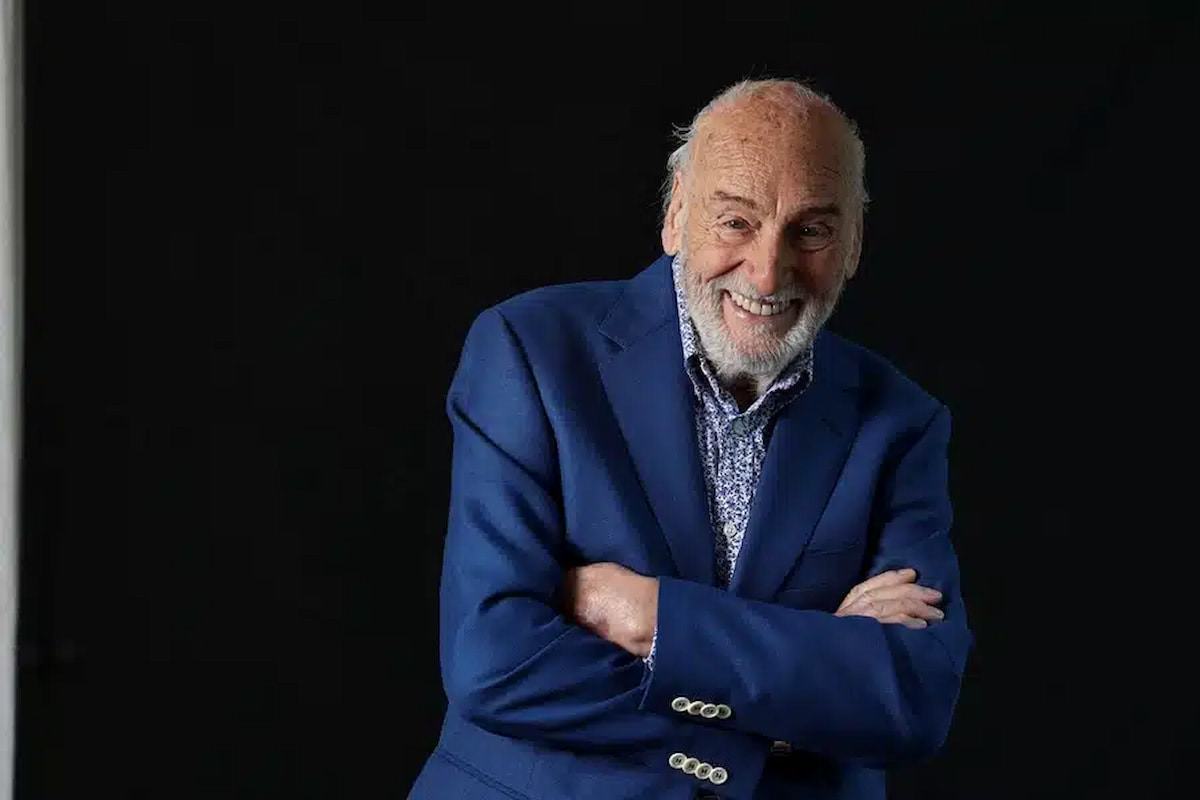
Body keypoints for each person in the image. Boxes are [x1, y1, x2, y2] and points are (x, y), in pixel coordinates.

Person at [408, 78, 972, 800]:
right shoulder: (530, 352)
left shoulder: (902, 422)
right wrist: (775, 714)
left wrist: (655, 620)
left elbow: (911, 698)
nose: (767, 271)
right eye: (735, 221)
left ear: (854, 244)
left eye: (811, 230)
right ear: (676, 215)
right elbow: (494, 659)